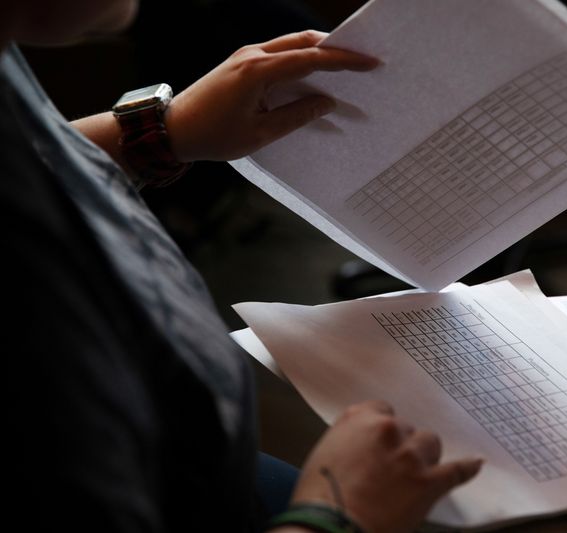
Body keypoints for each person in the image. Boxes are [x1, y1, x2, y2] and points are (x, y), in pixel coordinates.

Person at [1, 1, 483, 532]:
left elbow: (34, 156)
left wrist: (160, 134)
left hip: (190, 452)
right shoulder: (37, 321)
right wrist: (337, 517)